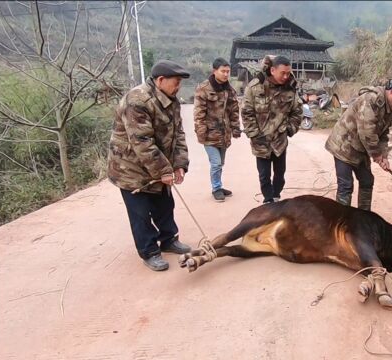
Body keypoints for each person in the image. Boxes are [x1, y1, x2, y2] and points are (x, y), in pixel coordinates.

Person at [108, 60, 193, 271]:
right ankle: (149, 251)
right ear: (161, 80)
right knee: (141, 213)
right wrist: (164, 170)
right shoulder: (137, 101)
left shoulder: (171, 100)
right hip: (131, 169)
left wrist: (179, 165)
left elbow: (178, 135)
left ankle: (168, 240)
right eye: (176, 82)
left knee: (164, 205)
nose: (178, 87)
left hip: (157, 163)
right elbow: (142, 142)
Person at [325, 78, 392, 211]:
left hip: (361, 148)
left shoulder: (391, 109)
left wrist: (384, 155)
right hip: (343, 145)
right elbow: (367, 132)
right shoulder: (371, 100)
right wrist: (376, 155)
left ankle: (364, 218)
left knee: (367, 181)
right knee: (346, 185)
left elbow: (384, 134)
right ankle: (342, 223)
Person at [242, 55, 303, 204]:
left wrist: (289, 129)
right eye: (283, 73)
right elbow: (246, 112)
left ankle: (276, 195)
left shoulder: (290, 88)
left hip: (280, 141)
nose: (286, 76)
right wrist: (254, 134)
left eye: (288, 73)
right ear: (273, 70)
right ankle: (268, 200)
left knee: (280, 175)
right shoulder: (255, 87)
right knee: (264, 175)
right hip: (260, 140)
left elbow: (297, 111)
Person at [193, 58, 241, 202]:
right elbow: (199, 113)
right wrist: (201, 133)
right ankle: (216, 188)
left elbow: (233, 110)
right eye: (223, 71)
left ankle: (219, 185)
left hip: (224, 134)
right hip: (209, 134)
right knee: (216, 163)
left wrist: (235, 128)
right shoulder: (203, 89)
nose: (226, 74)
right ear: (215, 71)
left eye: (228, 71)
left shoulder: (229, 90)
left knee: (221, 163)